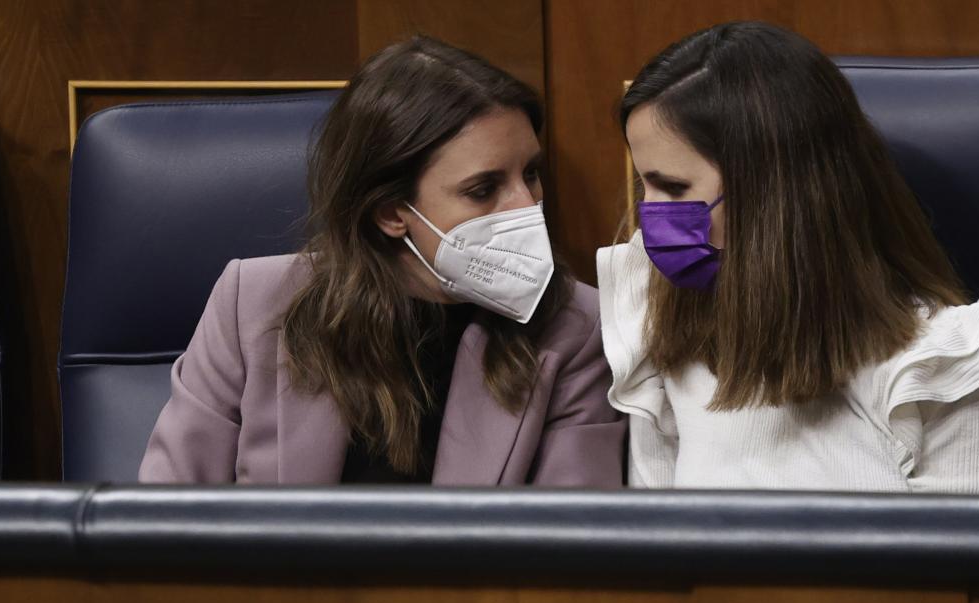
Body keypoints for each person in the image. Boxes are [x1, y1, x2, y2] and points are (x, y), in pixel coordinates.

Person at [139, 36, 624, 486]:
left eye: (531, 173)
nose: (527, 206)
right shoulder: (250, 303)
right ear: (391, 211)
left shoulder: (577, 328)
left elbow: (569, 538)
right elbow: (166, 517)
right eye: (483, 189)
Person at [599, 21, 979, 492]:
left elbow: (966, 542)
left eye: (674, 188)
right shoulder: (660, 313)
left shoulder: (945, 366)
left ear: (775, 193)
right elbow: (654, 528)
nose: (650, 217)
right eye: (645, 185)